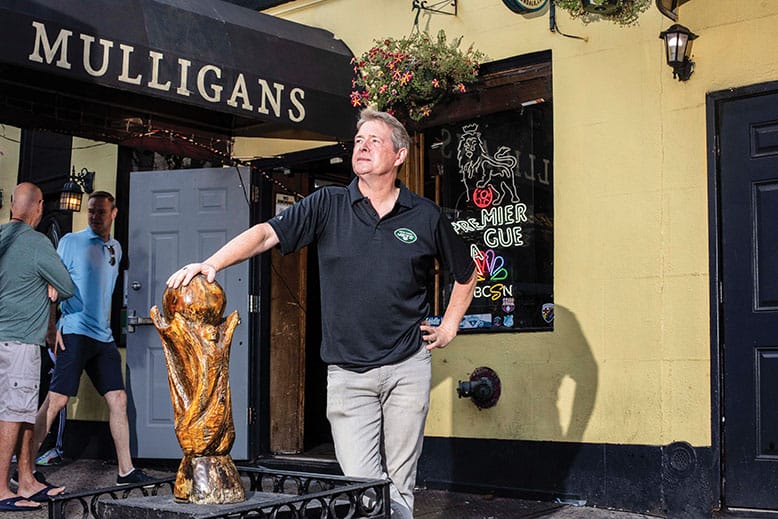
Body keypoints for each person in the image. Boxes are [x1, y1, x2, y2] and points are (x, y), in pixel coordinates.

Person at [167, 109, 477, 517]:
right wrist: (212, 263)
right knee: (362, 484)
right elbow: (265, 233)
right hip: (348, 375)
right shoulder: (328, 204)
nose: (362, 147)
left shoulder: (424, 215)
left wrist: (451, 324)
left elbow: (466, 272)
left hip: (407, 367)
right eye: (359, 140)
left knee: (400, 484)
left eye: (374, 141)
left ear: (399, 155)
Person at [33, 191, 153, 486]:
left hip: (103, 337)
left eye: (101, 212)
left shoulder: (116, 247)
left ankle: (125, 471)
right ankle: (25, 466)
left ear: (113, 214)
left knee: (119, 399)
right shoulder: (70, 242)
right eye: (91, 211)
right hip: (73, 331)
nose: (95, 217)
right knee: (57, 399)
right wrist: (52, 326)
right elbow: (52, 284)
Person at [0, 183, 74, 511]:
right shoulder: (37, 243)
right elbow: (67, 286)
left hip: (5, 338)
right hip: (20, 343)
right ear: (39, 206)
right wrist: (48, 283)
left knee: (24, 411)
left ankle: (27, 479)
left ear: (12, 206)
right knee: (13, 416)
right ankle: (2, 489)